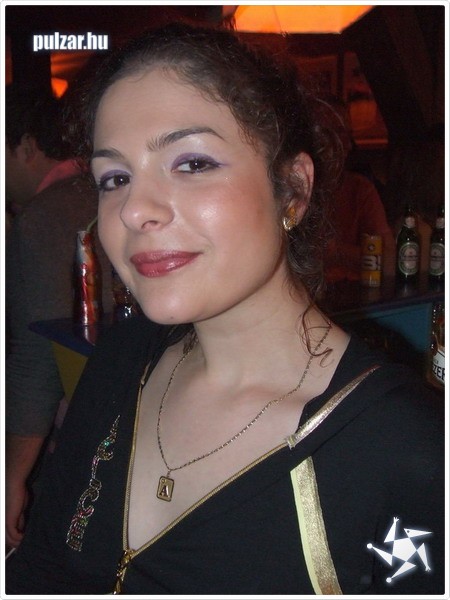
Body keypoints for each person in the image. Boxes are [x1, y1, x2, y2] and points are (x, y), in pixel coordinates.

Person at [5, 23, 444, 595]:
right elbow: (42, 568)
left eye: (192, 164)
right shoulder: (121, 360)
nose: (134, 209)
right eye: (114, 178)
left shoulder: (406, 447)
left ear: (292, 189)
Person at [5, 86, 113, 550]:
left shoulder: (44, 217)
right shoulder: (106, 190)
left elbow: (38, 357)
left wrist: (13, 476)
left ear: (27, 146)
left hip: (81, 439)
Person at [322, 98, 396, 283]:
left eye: (347, 135)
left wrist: (337, 252)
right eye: (335, 133)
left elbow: (389, 258)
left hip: (351, 294)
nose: (346, 144)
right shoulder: (287, 190)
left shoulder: (359, 189)